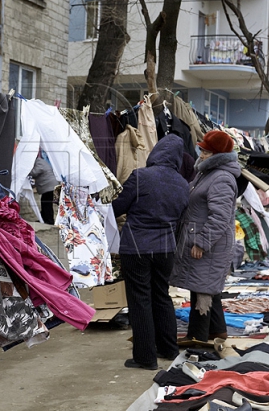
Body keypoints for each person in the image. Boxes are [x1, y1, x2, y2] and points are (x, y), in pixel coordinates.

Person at [111, 134, 189, 370]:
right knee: (161, 295)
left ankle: (145, 357)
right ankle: (168, 348)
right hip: (166, 249)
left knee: (140, 300)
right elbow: (181, 220)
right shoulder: (183, 184)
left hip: (137, 247)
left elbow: (117, 206)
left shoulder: (141, 176)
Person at [170, 130, 240, 344]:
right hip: (206, 241)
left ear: (218, 155)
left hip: (211, 244)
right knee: (206, 285)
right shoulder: (208, 173)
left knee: (202, 288)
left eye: (206, 151)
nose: (201, 154)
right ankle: (217, 331)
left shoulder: (221, 178)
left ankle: (197, 337)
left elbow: (220, 217)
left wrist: (202, 242)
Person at [29, 151, 59, 225]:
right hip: (50, 186)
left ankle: (49, 221)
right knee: (45, 203)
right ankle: (44, 219)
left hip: (49, 186)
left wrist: (27, 172)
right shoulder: (40, 161)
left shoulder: (39, 162)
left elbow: (35, 172)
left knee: (47, 204)